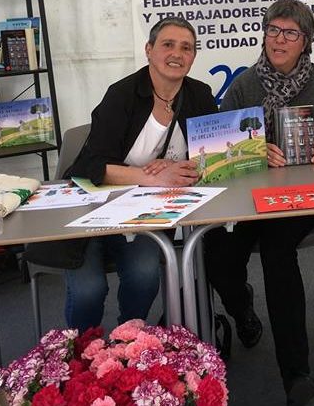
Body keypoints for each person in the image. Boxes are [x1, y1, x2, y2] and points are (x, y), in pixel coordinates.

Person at [203, 0, 314, 406]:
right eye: (273, 30)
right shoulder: (245, 84)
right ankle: (244, 313)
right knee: (216, 252)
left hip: (304, 201)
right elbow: (221, 146)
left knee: (276, 249)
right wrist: (255, 150)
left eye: (290, 33)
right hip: (250, 198)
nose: (279, 39)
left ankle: (296, 372)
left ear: (305, 41)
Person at [38, 17, 217, 331]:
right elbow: (89, 167)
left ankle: (128, 341)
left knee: (145, 273)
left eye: (186, 47)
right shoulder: (122, 95)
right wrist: (150, 176)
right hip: (91, 208)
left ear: (194, 57)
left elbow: (211, 156)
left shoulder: (199, 95)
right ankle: (79, 352)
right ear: (149, 50)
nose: (177, 53)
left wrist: (181, 167)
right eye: (168, 45)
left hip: (145, 213)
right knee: (89, 289)